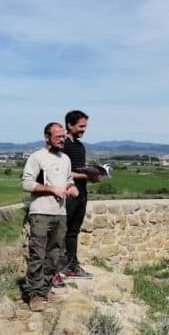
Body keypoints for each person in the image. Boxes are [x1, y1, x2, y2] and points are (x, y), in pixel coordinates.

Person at [21, 122, 78, 311]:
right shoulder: (37, 157)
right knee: (37, 254)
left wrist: (72, 188)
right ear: (47, 137)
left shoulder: (66, 159)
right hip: (40, 212)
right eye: (58, 137)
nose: (62, 140)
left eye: (63, 136)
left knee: (53, 255)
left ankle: (45, 290)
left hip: (60, 213)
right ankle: (34, 293)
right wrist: (50, 189)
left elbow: (69, 180)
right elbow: (27, 183)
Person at [60, 110, 98, 282]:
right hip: (69, 194)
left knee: (73, 231)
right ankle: (59, 266)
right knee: (63, 230)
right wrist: (86, 176)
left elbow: (78, 169)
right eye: (81, 126)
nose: (84, 129)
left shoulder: (80, 146)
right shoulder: (64, 146)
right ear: (70, 125)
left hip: (82, 193)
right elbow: (62, 172)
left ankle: (72, 266)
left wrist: (92, 176)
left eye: (85, 126)